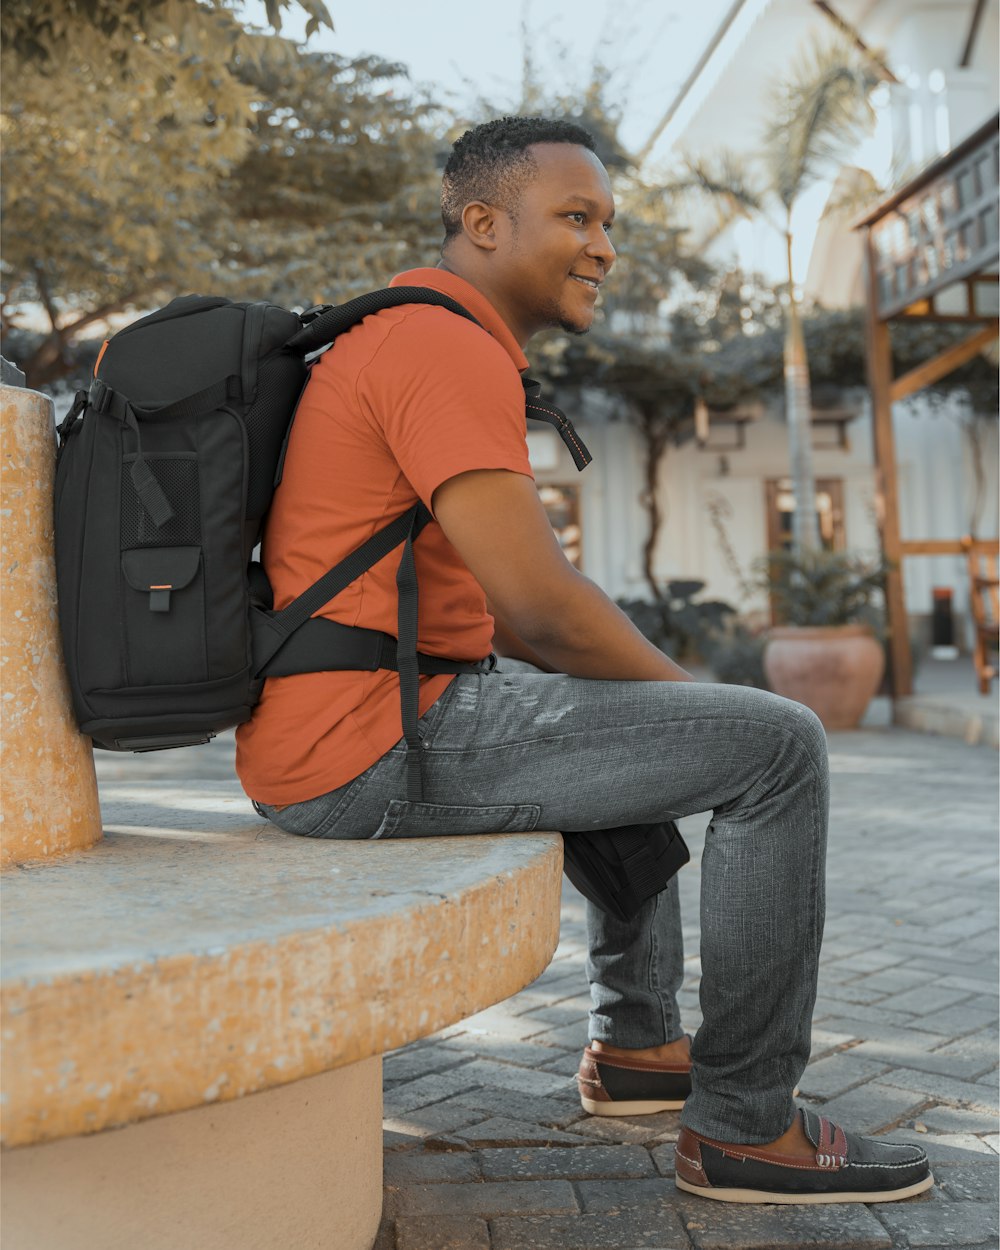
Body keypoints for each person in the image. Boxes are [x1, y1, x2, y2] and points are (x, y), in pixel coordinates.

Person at [236, 116, 932, 1205]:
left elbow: (518, 621)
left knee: (629, 711)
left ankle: (641, 1046)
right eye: (575, 217)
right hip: (366, 744)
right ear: (481, 222)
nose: (604, 245)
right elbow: (543, 610)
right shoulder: (439, 345)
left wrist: (661, 709)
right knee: (777, 744)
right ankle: (744, 1128)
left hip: (365, 719)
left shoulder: (416, 333)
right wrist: (704, 705)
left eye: (608, 221)